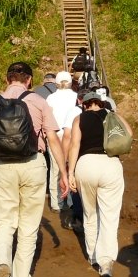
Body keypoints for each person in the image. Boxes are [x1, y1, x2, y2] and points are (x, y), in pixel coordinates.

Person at [0, 62, 69, 277]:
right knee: (29, 228)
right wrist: (63, 173)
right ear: (29, 80)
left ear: (7, 79)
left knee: (4, 223)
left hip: (3, 167)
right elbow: (52, 139)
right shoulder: (39, 102)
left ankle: (1, 263)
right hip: (33, 165)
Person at [67, 91, 132, 277]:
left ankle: (93, 256)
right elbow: (129, 133)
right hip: (110, 163)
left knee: (90, 213)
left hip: (86, 164)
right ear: (101, 103)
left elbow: (74, 145)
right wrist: (114, 115)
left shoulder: (79, 119)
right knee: (109, 216)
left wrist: (70, 173)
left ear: (84, 104)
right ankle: (106, 262)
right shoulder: (111, 115)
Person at [46, 71, 81, 228]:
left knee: (55, 169)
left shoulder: (50, 98)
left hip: (54, 135)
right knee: (71, 167)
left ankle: (56, 202)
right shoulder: (75, 96)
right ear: (70, 82)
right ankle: (71, 200)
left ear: (56, 83)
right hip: (71, 134)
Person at [34, 72, 59, 209]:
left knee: (44, 159)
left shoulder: (36, 91)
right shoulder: (59, 91)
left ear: (44, 81)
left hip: (41, 129)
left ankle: (43, 188)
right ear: (54, 81)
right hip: (57, 130)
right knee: (55, 162)